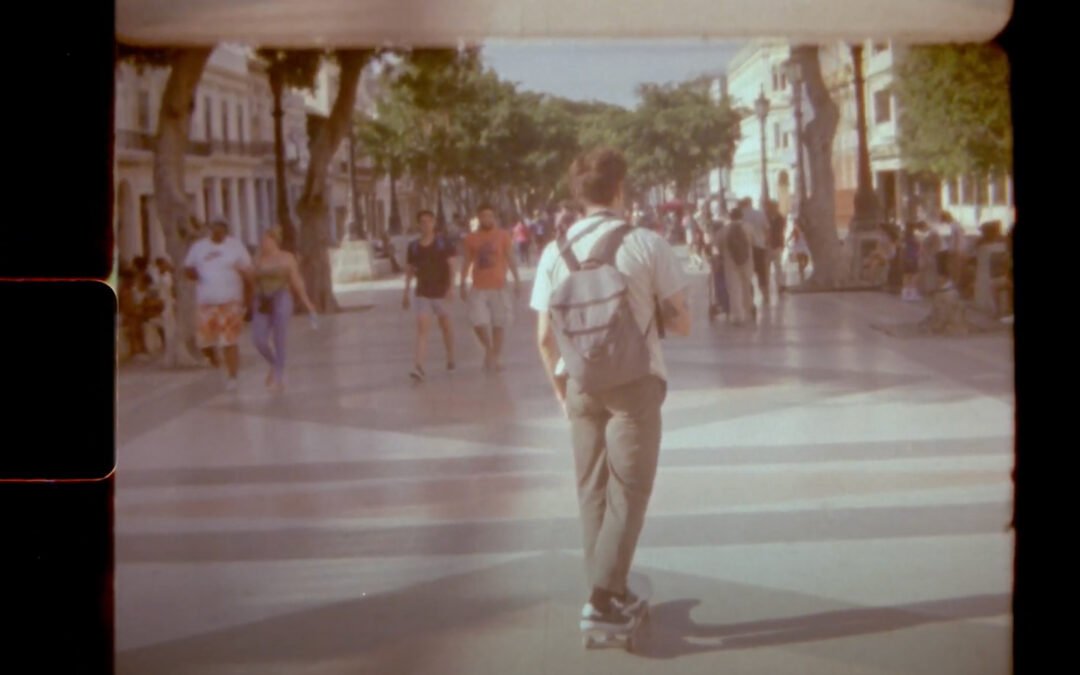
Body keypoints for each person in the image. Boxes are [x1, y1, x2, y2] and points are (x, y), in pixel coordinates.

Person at [530, 147, 690, 643]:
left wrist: (561, 392)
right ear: (619, 190)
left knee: (592, 491)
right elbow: (682, 322)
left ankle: (610, 592)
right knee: (630, 491)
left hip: (579, 383)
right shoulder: (646, 243)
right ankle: (600, 602)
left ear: (578, 196)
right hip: (635, 385)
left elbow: (542, 336)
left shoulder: (553, 251)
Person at [183, 218, 254, 390]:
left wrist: (250, 300)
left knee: (229, 340)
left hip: (230, 301)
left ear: (227, 230)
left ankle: (232, 376)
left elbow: (248, 274)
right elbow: (188, 269)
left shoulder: (235, 247)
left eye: (223, 228)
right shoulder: (199, 247)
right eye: (216, 227)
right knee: (205, 342)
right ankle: (214, 359)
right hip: (207, 302)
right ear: (210, 229)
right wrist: (195, 275)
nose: (219, 231)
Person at [250, 226, 317, 392]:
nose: (263, 243)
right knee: (259, 340)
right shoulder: (257, 259)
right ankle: (274, 363)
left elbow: (297, 281)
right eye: (262, 240)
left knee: (279, 338)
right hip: (262, 300)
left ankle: (278, 377)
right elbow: (251, 282)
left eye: (266, 239)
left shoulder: (287, 258)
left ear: (275, 241)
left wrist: (307, 303)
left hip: (281, 297)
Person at [460, 203, 521, 371]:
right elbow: (466, 260)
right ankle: (489, 349)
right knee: (477, 321)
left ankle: (497, 356)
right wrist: (462, 283)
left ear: (494, 218)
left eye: (490, 216)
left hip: (499, 285)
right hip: (479, 285)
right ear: (478, 218)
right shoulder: (470, 238)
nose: (487, 219)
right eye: (483, 216)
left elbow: (510, 258)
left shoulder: (503, 236)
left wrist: (517, 280)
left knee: (498, 322)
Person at [403, 210, 457, 381]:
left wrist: (451, 287)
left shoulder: (443, 243)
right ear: (418, 224)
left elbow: (452, 266)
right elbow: (410, 270)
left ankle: (450, 357)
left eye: (428, 221)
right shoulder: (413, 247)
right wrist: (405, 291)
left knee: (445, 326)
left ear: (434, 222)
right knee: (422, 329)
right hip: (422, 292)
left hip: (441, 292)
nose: (425, 224)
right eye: (422, 221)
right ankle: (418, 366)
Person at [723, 207, 756, 325]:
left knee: (734, 288)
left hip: (730, 262)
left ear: (730, 217)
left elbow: (717, 244)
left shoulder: (725, 230)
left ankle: (737, 316)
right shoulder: (749, 227)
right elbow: (754, 242)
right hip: (747, 261)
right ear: (742, 216)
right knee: (746, 286)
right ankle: (749, 310)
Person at [740, 197, 771, 306]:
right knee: (761, 272)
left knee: (746, 273)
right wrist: (766, 243)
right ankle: (765, 295)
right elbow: (767, 229)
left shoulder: (741, 215)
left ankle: (749, 296)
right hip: (760, 247)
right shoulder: (760, 214)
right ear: (751, 203)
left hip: (746, 248)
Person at [765, 201, 787, 296]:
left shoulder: (780, 218)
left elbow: (780, 231)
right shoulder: (765, 217)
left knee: (778, 266)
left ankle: (780, 285)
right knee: (767, 267)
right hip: (766, 245)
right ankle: (766, 286)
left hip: (776, 244)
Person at [901, 221, 922, 302]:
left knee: (906, 276)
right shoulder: (913, 237)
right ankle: (912, 293)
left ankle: (905, 293)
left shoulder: (904, 236)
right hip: (913, 257)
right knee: (914, 275)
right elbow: (919, 245)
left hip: (906, 257)